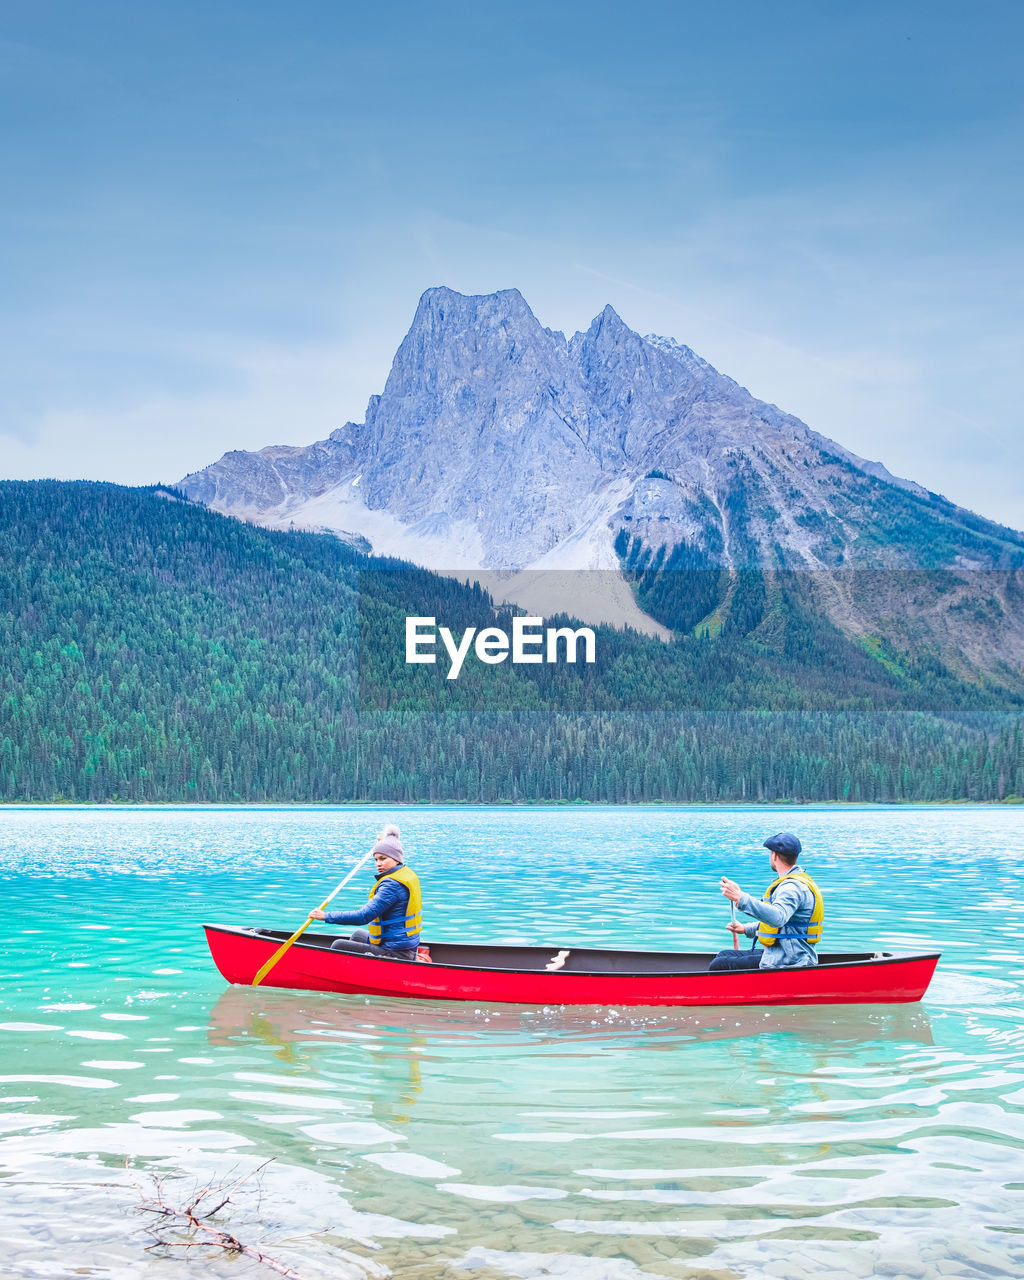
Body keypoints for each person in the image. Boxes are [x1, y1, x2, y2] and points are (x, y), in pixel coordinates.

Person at [708, 831, 824, 972]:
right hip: (781, 953)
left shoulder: (791, 888)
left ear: (774, 855)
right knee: (723, 955)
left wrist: (740, 898)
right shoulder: (793, 883)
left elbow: (778, 917)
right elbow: (787, 925)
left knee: (718, 965)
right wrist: (746, 929)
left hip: (789, 960)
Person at [308, 824, 422, 961]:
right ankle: (354, 970)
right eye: (376, 859)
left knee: (338, 945)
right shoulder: (404, 873)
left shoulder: (392, 885)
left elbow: (363, 916)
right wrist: (385, 842)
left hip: (397, 952)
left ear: (396, 858)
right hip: (403, 946)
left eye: (383, 858)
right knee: (357, 935)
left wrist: (326, 916)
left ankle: (337, 975)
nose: (378, 864)